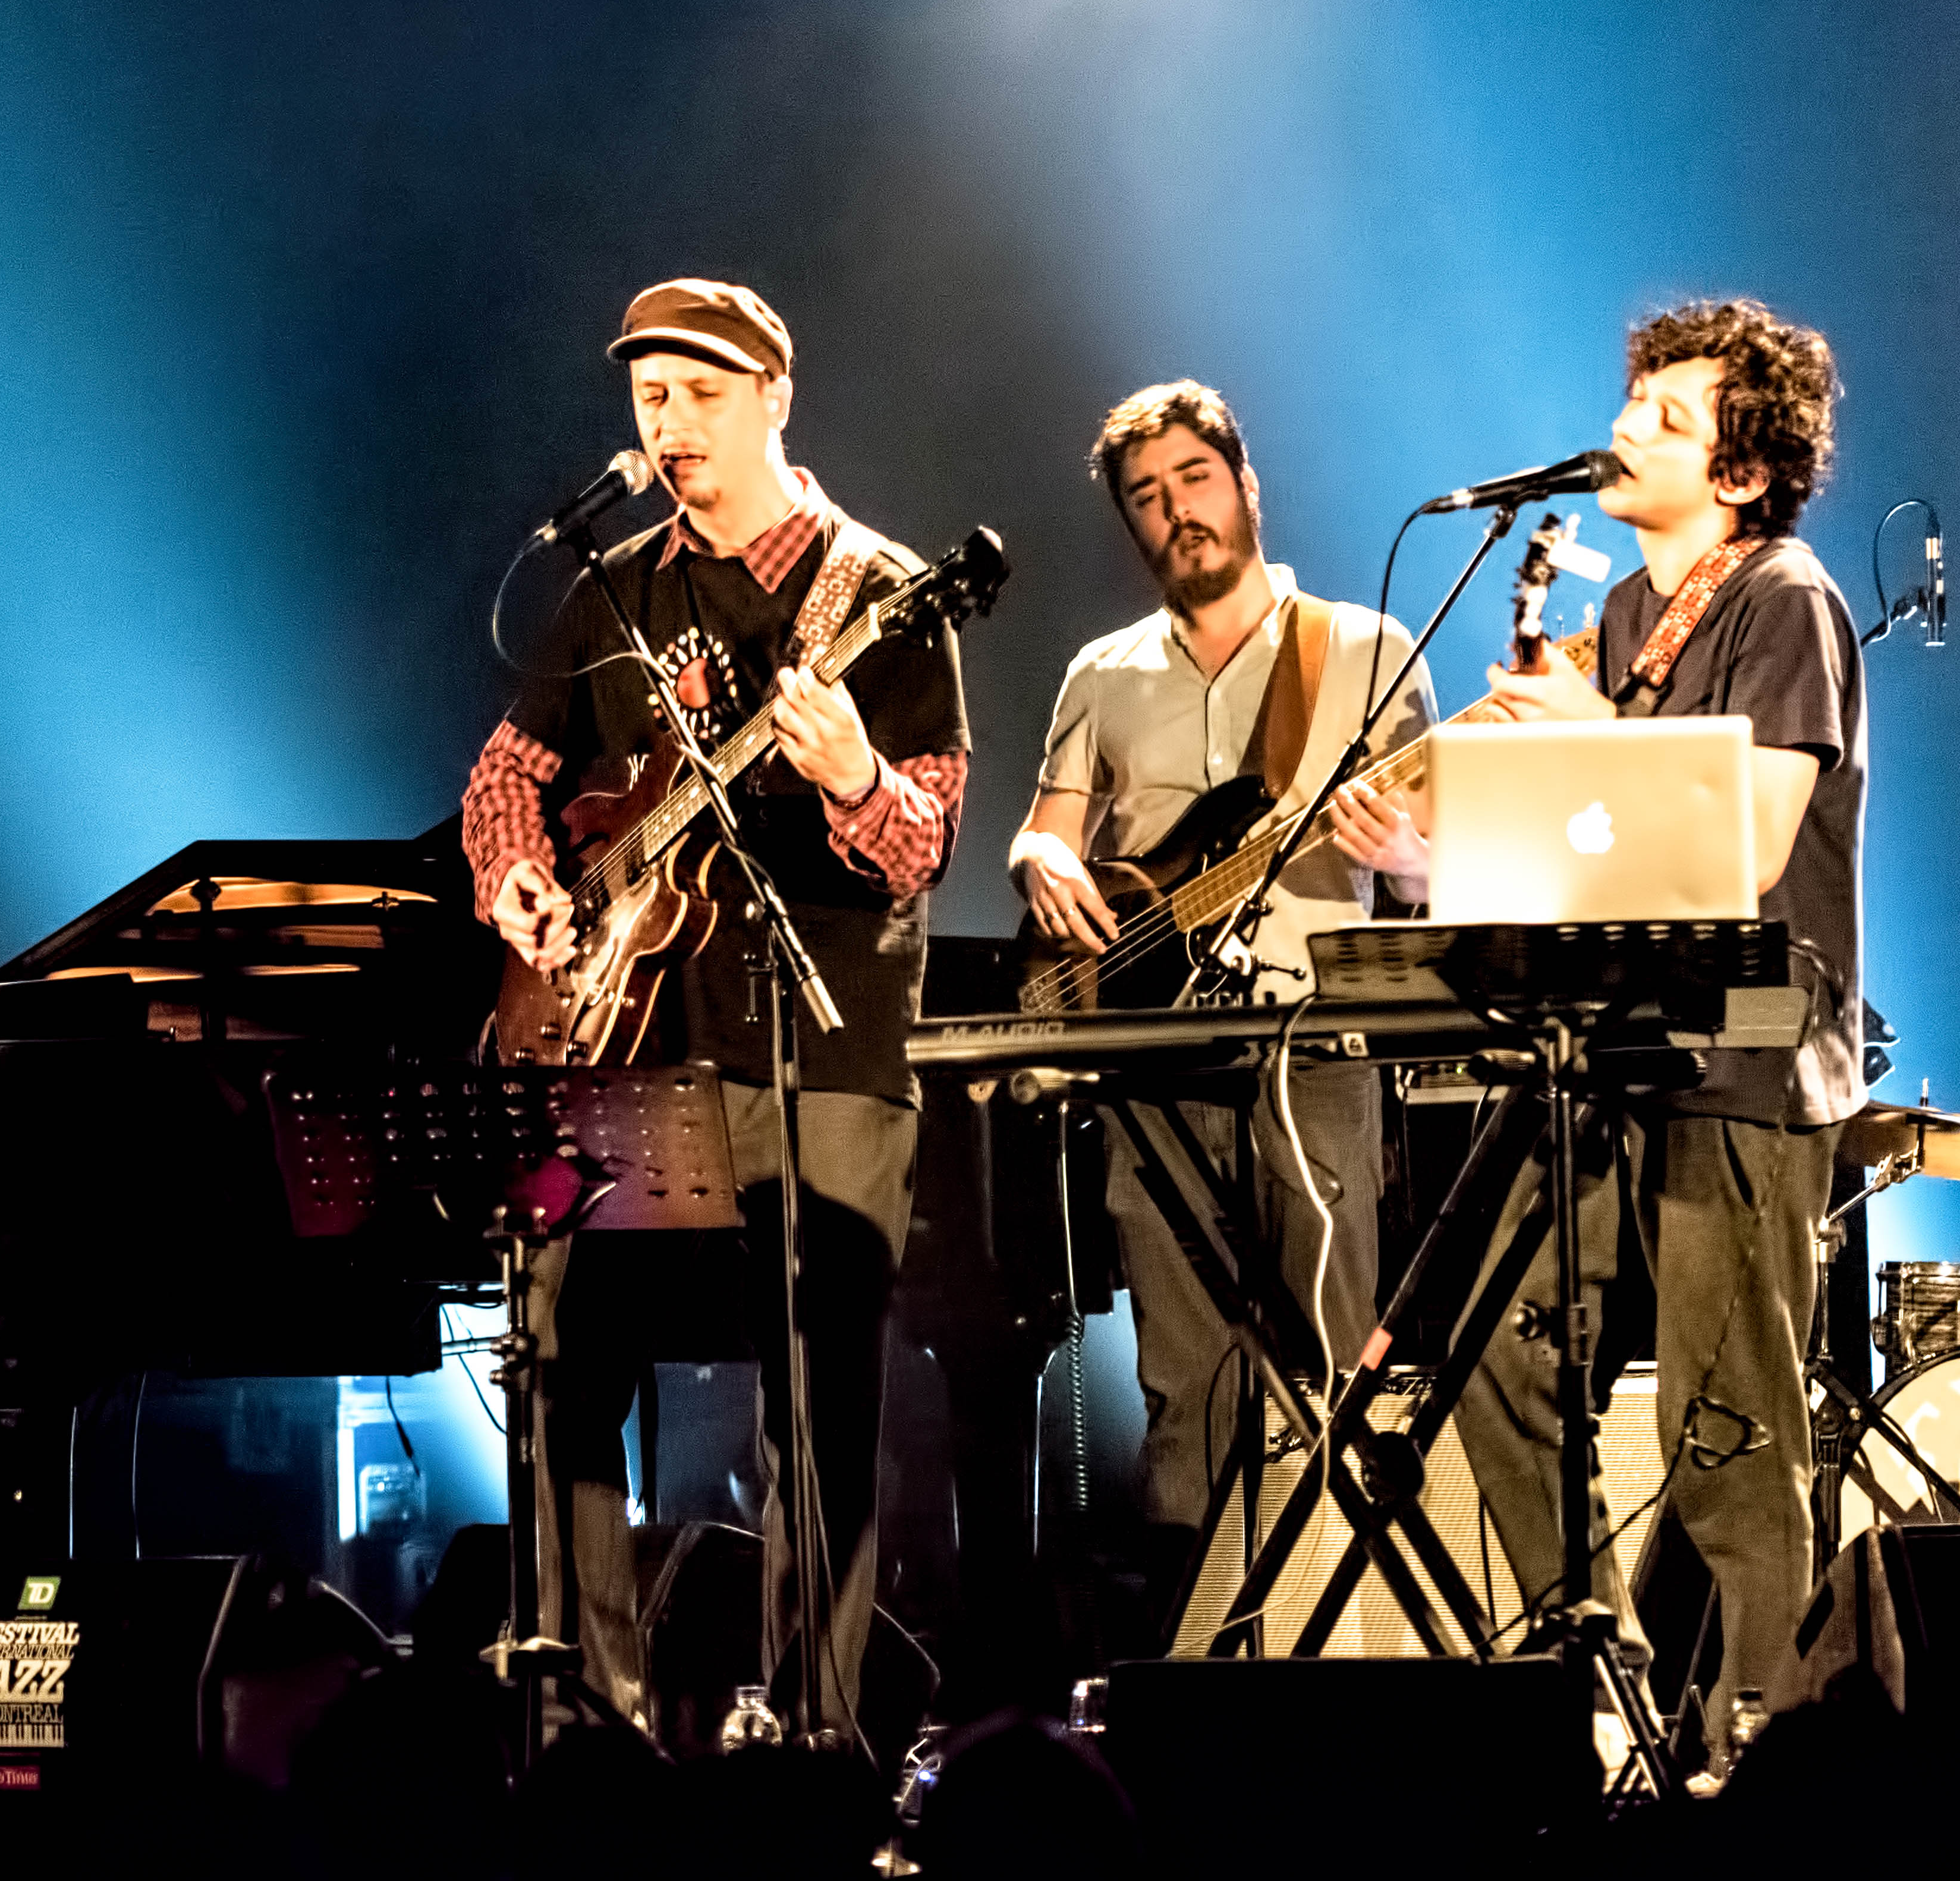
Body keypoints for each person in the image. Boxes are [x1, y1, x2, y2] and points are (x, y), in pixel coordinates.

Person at [462, 279, 971, 1732]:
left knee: (818, 1398)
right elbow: (506, 774)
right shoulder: (611, 586)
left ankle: (816, 1731)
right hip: (624, 1048)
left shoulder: (877, 590)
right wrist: (519, 883)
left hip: (820, 1051)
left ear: (771, 395)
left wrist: (852, 774)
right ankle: (586, 1725)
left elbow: (920, 843)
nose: (669, 424)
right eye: (648, 398)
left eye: (697, 392)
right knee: (555, 1342)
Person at [1449, 298, 1866, 1758]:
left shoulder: (1784, 597)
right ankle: (1610, 1671)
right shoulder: (1627, 611)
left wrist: (1576, 730)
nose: (1624, 429)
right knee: (1488, 1345)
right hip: (1612, 1043)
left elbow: (1743, 841)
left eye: (1666, 418)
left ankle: (1770, 1734)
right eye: (1630, 400)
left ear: (1740, 474)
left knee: (1728, 1418)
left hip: (1743, 1054)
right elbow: (1600, 836)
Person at [1006, 379, 1434, 1575]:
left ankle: (1344, 1626)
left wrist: (1406, 855)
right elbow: (1047, 830)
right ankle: (1203, 1637)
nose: (1173, 511)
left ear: (1245, 485)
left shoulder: (1360, 650)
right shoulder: (1100, 670)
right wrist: (1036, 850)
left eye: (1193, 480)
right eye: (1144, 497)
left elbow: (1432, 882)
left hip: (1315, 1047)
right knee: (1182, 1371)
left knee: (1332, 1350)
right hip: (1149, 1060)